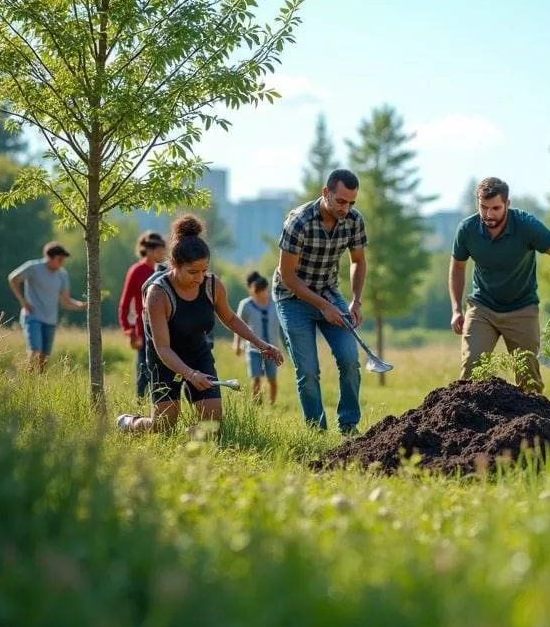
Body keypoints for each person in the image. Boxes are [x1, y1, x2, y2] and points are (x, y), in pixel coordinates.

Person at [116, 215, 284, 432]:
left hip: (198, 354)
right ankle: (128, 423)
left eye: (204, 270)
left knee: (212, 425)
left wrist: (262, 345)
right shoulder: (158, 295)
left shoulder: (212, 286)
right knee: (163, 425)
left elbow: (230, 318)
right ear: (174, 265)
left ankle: (191, 440)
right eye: (193, 272)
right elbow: (162, 347)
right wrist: (190, 374)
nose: (199, 278)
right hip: (165, 359)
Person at [449, 177, 550, 393]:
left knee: (529, 381)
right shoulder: (467, 229)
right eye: (483, 207)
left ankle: (531, 415)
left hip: (522, 308)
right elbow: (457, 268)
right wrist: (455, 309)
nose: (489, 215)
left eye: (496, 208)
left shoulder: (527, 226)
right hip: (482, 307)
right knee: (471, 370)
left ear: (507, 204)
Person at [274, 169, 367, 433]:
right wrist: (324, 307)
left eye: (351, 203)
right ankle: (317, 431)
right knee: (308, 370)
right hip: (291, 297)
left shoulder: (354, 220)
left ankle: (349, 426)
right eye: (341, 201)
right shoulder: (299, 221)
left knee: (349, 359)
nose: (346, 209)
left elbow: (358, 261)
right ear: (326, 193)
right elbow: (288, 276)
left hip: (328, 291)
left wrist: (355, 301)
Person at [7, 242, 87, 372]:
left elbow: (65, 301)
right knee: (35, 350)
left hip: (50, 320)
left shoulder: (62, 274)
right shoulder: (33, 267)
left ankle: (39, 381)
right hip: (32, 316)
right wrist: (23, 302)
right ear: (49, 257)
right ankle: (29, 380)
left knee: (44, 357)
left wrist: (82, 306)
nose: (62, 263)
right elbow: (13, 279)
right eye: (60, 259)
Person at [118, 231, 167, 398]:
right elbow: (125, 303)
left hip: (165, 328)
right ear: (150, 250)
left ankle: (161, 402)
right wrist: (129, 331)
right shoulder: (136, 270)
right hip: (143, 330)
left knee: (163, 371)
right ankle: (140, 404)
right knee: (143, 371)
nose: (163, 253)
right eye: (160, 249)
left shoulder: (165, 271)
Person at [234, 271, 282, 405]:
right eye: (257, 292)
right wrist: (237, 344)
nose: (260, 294)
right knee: (255, 377)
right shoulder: (245, 305)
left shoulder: (275, 303)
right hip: (253, 348)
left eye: (262, 291)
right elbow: (237, 325)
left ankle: (272, 404)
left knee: (272, 378)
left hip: (272, 348)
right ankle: (257, 404)